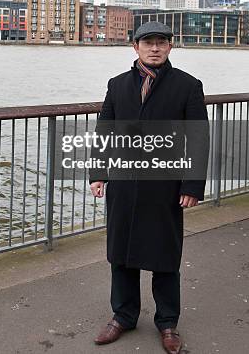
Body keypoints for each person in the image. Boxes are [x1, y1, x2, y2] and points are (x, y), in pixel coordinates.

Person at [89, 21, 209, 353]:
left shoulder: (187, 86)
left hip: (166, 186)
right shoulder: (117, 85)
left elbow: (198, 139)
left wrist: (192, 184)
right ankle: (123, 316)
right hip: (124, 183)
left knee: (165, 256)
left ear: (170, 47)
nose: (154, 48)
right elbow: (104, 132)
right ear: (135, 47)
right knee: (121, 254)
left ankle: (168, 323)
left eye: (161, 42)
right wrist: (97, 173)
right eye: (148, 42)